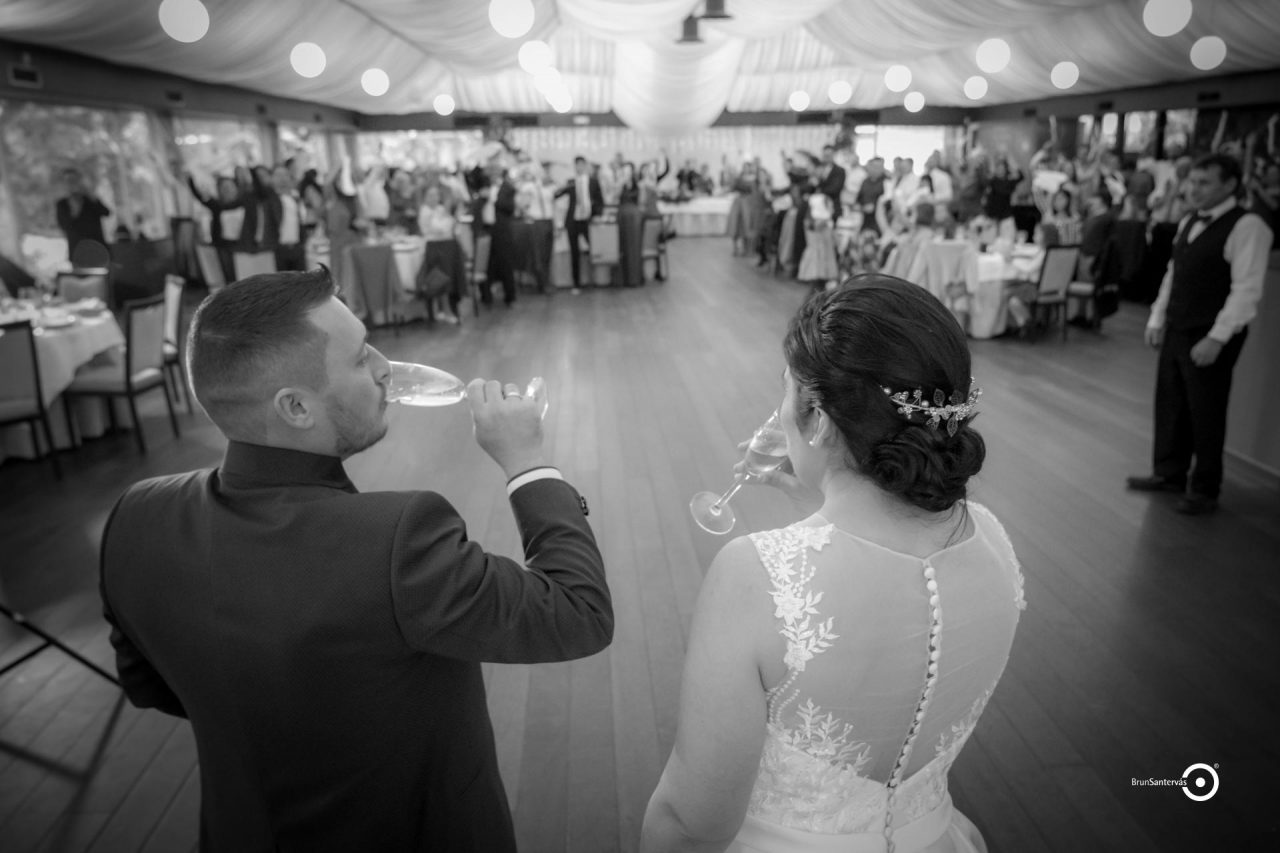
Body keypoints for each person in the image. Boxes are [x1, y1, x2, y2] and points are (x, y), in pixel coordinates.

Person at [99, 270, 613, 851]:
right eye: (359, 358)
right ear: (295, 407)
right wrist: (526, 463)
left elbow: (148, 685)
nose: (383, 368)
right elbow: (578, 613)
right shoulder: (396, 540)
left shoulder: (135, 516)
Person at [642, 278, 1024, 853]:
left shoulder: (755, 577)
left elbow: (692, 821)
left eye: (786, 390)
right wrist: (822, 496)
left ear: (818, 417)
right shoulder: (994, 541)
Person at [1126, 153, 1273, 515]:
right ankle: (1169, 473)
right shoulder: (1189, 219)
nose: (1193, 188)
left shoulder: (1248, 226)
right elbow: (1174, 273)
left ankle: (1206, 487)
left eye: (1204, 182)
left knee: (1205, 409)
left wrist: (1218, 337)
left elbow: (1247, 290)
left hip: (1211, 332)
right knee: (1171, 402)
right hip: (1178, 324)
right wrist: (1157, 318)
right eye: (1192, 181)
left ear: (1230, 185)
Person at [555, 155, 604, 293]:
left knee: (594, 249)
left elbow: (600, 201)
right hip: (573, 221)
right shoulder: (571, 182)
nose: (579, 167)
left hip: (587, 220)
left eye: (582, 165)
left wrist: (597, 215)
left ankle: (594, 280)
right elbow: (557, 194)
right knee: (574, 252)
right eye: (577, 165)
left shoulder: (593, 182)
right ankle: (576, 283)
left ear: (585, 165)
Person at [55, 167, 112, 259]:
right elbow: (64, 226)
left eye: (74, 180)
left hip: (98, 249)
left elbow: (106, 213)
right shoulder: (62, 204)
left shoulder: (89, 200)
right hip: (78, 252)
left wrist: (91, 196)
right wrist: (75, 210)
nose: (71, 183)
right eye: (68, 181)